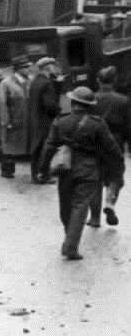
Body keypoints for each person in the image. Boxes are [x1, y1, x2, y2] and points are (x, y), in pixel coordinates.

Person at [43, 87, 122, 260]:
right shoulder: (97, 124)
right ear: (90, 106)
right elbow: (111, 148)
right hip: (88, 170)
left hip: (65, 168)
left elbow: (49, 146)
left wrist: (43, 169)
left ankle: (69, 239)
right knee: (80, 206)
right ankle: (70, 246)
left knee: (65, 206)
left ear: (72, 103)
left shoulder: (60, 122)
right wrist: (118, 166)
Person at [94, 66, 131, 226]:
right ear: (114, 81)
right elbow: (129, 126)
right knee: (116, 176)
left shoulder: (91, 98)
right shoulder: (123, 100)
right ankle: (109, 202)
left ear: (98, 81)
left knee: (95, 179)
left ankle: (94, 218)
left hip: (94, 143)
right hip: (115, 142)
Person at [27, 58, 62, 183]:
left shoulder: (36, 81)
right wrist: (58, 110)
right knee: (45, 149)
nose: (55, 69)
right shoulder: (47, 83)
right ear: (48, 68)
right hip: (45, 121)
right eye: (53, 66)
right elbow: (49, 104)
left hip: (35, 119)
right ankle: (43, 175)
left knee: (37, 148)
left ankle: (35, 175)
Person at [0, 54, 32, 180]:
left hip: (27, 117)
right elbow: (2, 103)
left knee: (26, 142)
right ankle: (7, 170)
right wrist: (6, 122)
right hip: (14, 118)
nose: (28, 69)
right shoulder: (6, 83)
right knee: (9, 146)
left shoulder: (30, 80)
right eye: (25, 67)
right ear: (18, 69)